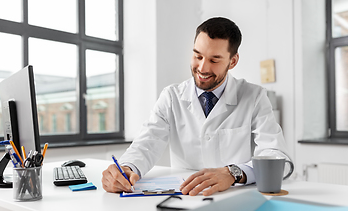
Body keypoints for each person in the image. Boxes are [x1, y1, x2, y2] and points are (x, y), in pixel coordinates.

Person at [102, 17, 291, 196]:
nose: (202, 68)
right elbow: (146, 144)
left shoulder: (254, 97)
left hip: (237, 197)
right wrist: (127, 168)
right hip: (185, 196)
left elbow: (274, 156)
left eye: (214, 60)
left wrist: (233, 173)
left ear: (232, 61)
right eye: (197, 56)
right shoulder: (171, 97)